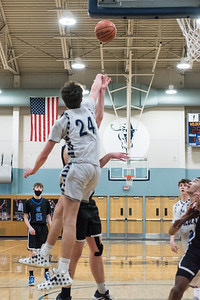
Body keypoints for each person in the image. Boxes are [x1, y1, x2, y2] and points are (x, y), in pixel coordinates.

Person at [19, 73, 110, 291]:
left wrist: (34, 169)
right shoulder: (88, 107)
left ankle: (62, 270)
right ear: (80, 97)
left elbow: (44, 154)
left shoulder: (64, 120)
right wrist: (101, 82)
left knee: (68, 221)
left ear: (63, 101)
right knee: (59, 210)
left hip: (77, 168)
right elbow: (96, 91)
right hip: (94, 170)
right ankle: (43, 254)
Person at [56, 145, 128, 300]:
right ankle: (65, 294)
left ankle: (101, 292)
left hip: (89, 205)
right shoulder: (68, 150)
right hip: (75, 205)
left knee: (97, 250)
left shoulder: (86, 143)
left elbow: (93, 167)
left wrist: (108, 155)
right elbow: (81, 170)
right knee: (75, 253)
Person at [168, 177, 200, 300]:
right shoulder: (184, 207)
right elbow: (171, 230)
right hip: (192, 250)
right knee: (177, 288)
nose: (189, 184)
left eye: (195, 181)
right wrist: (184, 217)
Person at [22, 182, 52, 285]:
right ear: (33, 188)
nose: (38, 189)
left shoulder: (46, 202)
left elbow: (48, 217)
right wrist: (30, 227)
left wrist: (51, 228)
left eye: (40, 188)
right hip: (33, 228)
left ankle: (47, 273)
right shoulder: (28, 202)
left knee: (45, 252)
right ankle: (31, 276)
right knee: (32, 253)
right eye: (36, 187)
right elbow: (25, 217)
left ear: (42, 190)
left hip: (44, 229)